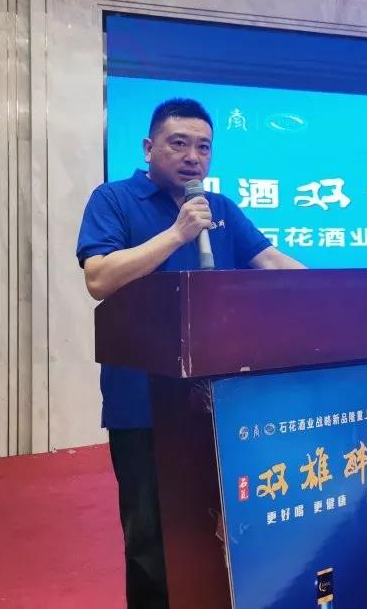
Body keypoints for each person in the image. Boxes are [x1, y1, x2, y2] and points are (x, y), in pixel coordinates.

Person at [76, 98, 304, 608]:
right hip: (143, 401)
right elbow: (99, 278)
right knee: (150, 534)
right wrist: (178, 233)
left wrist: (336, 294)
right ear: (148, 147)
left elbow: (269, 261)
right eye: (178, 143)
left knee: (223, 525)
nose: (192, 157)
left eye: (203, 147)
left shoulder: (220, 209)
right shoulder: (114, 199)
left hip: (222, 400)